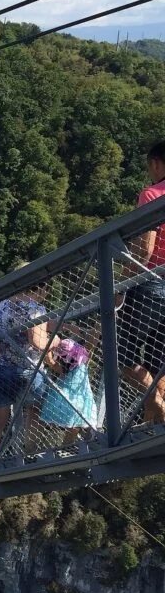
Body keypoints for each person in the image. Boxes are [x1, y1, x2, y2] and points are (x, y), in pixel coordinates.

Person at [117, 140, 165, 424]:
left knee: (124, 358)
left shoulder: (152, 194)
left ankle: (160, 409)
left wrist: (121, 284)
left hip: (150, 284)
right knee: (160, 361)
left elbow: (143, 249)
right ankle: (153, 425)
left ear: (156, 163)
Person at [0, 279, 58, 453]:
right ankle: (30, 449)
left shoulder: (2, 302)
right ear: (42, 288)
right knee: (35, 408)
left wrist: (64, 324)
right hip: (25, 370)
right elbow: (37, 341)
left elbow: (34, 324)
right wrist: (55, 340)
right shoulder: (35, 308)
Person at [41, 338, 97, 444]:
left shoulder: (63, 372)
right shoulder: (81, 366)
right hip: (80, 397)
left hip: (66, 397)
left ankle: (66, 445)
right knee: (76, 419)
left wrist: (50, 352)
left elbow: (51, 360)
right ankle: (68, 444)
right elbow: (91, 344)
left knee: (70, 420)